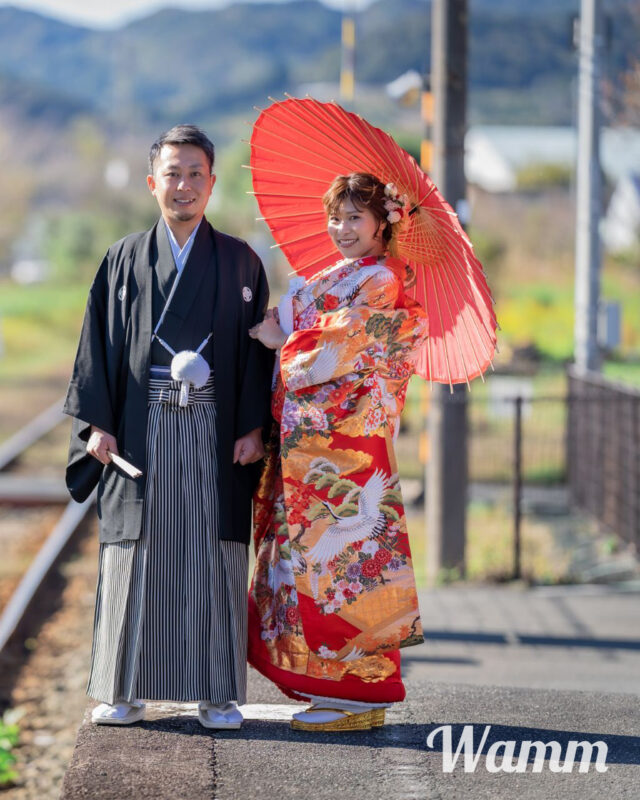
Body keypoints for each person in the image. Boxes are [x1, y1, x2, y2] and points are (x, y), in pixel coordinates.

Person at [64, 124, 272, 730]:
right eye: (172, 174)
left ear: (212, 184)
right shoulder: (123, 258)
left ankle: (217, 695)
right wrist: (96, 425)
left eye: (195, 175)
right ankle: (125, 691)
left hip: (215, 427)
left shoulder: (241, 261)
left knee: (213, 556)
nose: (183, 186)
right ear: (152, 182)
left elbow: (259, 355)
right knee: (136, 555)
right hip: (138, 429)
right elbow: (96, 347)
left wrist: (253, 426)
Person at [246, 171, 427, 732]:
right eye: (336, 216)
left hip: (344, 450)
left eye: (355, 218)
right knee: (309, 563)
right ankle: (328, 683)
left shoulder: (383, 281)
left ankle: (361, 689)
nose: (341, 228)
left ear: (383, 224)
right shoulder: (343, 275)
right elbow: (316, 321)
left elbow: (344, 345)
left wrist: (287, 336)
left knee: (345, 563)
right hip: (315, 446)